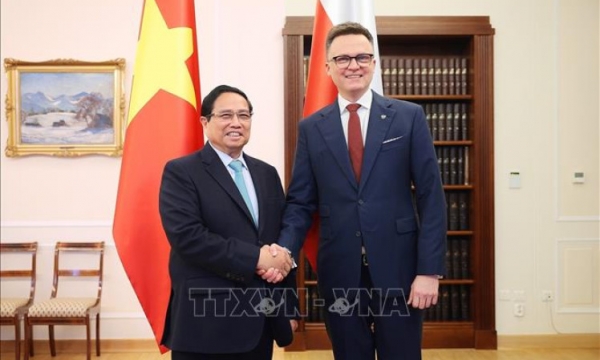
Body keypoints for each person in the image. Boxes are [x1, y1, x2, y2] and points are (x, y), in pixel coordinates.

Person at [271, 22, 447, 359]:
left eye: (362, 56)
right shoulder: (311, 128)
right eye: (343, 59)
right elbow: (301, 201)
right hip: (339, 269)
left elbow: (431, 197)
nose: (353, 65)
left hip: (401, 269)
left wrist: (429, 271)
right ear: (327, 68)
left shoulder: (408, 118)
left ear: (374, 62)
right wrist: (284, 253)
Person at [159, 84, 298, 360]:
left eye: (244, 115)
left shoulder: (267, 173)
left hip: (261, 320)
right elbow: (188, 238)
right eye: (226, 115)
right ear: (205, 122)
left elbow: (280, 239)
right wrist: (256, 258)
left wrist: (289, 308)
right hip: (206, 324)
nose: (236, 123)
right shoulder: (181, 172)